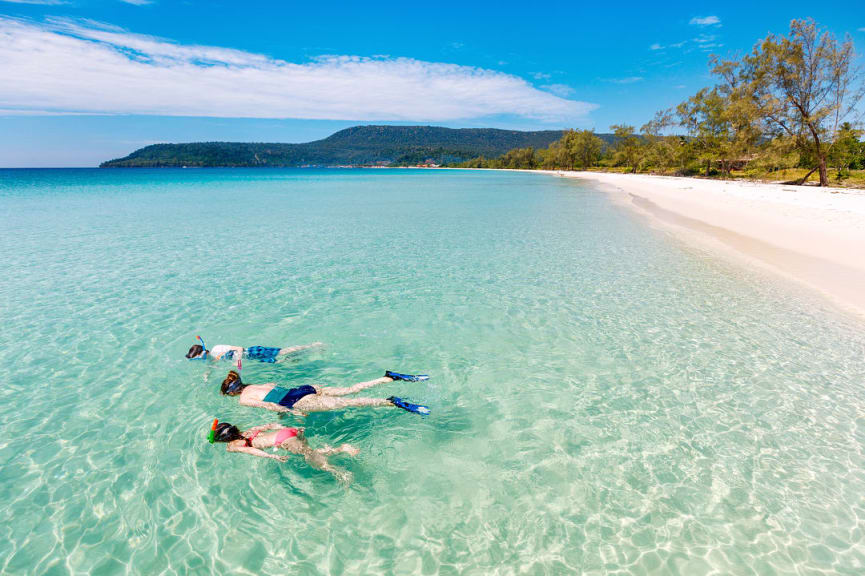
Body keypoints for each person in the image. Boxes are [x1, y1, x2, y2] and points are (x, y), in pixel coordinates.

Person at [219, 369, 431, 415]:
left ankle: (391, 402)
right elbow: (276, 387)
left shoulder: (244, 399)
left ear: (232, 393)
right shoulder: (259, 383)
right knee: (350, 390)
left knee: (351, 403)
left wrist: (291, 412)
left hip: (297, 401)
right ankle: (387, 378)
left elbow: (269, 405)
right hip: (305, 388)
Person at [211, 421, 358, 483]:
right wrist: (286, 426)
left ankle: (340, 472)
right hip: (287, 431)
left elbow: (253, 452)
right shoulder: (248, 431)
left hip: (284, 440)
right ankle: (340, 449)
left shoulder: (234, 445)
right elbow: (269, 425)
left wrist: (271, 455)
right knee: (311, 452)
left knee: (314, 461)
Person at [185, 338, 323, 364]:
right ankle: (307, 353)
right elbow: (210, 368)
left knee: (283, 352)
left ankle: (310, 346)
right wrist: (206, 378)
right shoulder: (211, 360)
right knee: (281, 362)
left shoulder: (217, 349)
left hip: (252, 352)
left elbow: (239, 348)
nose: (202, 360)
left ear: (203, 351)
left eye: (201, 357)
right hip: (254, 360)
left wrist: (238, 361)